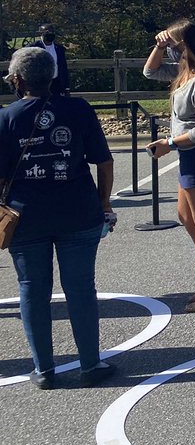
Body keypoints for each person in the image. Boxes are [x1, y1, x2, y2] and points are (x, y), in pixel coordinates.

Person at [0, 47, 115, 388]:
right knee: (80, 289)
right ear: (51, 76)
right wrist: (103, 202)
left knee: (32, 290)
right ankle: (90, 365)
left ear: (18, 80)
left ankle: (44, 369)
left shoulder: (7, 118)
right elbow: (103, 161)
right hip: (78, 211)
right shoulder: (78, 108)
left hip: (26, 215)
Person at [143, 19, 195, 313]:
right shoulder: (183, 73)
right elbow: (149, 71)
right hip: (189, 152)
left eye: (173, 45)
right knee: (186, 217)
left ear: (187, 46)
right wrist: (159, 44)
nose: (170, 51)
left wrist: (170, 143)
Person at [30, 23, 70, 95]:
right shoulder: (32, 48)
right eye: (47, 32)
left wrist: (66, 87)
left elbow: (63, 68)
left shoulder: (59, 49)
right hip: (40, 84)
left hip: (56, 83)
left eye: (52, 32)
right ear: (41, 33)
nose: (50, 34)